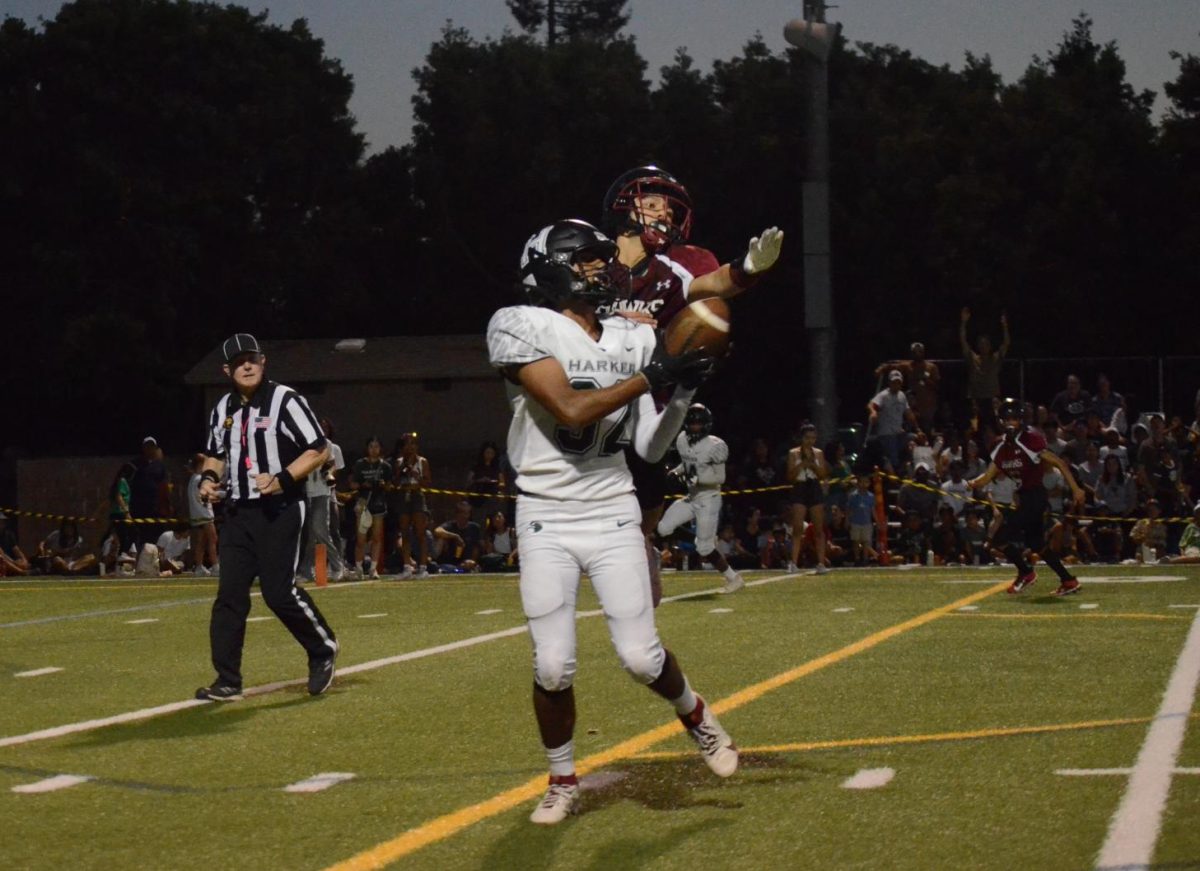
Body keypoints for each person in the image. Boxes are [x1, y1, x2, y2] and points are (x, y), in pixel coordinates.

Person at [486, 218, 736, 825]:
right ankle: (562, 779)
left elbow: (649, 450)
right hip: (545, 513)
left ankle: (698, 716)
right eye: (585, 258)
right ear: (545, 266)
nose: (599, 267)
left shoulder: (631, 336)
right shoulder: (517, 323)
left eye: (603, 258)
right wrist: (655, 376)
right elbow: (569, 406)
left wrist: (680, 394)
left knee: (641, 658)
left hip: (612, 508)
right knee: (552, 663)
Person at [598, 166, 783, 604]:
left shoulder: (676, 266)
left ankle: (642, 545)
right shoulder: (593, 260)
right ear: (625, 208)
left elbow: (712, 286)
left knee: (645, 497)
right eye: (653, 202)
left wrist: (747, 268)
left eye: (668, 205)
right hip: (595, 392)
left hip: (649, 397)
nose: (664, 212)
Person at [194, 333, 338, 701]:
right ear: (226, 369)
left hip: (281, 508)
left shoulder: (285, 400)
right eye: (239, 361)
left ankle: (322, 649)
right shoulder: (222, 408)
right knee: (229, 597)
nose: (246, 365)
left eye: (252, 359)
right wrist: (209, 480)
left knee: (279, 592)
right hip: (238, 511)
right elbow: (215, 454)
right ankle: (228, 679)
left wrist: (282, 479)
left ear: (263, 362)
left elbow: (318, 449)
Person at [967, 397, 1087, 596]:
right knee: (1037, 544)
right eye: (1006, 419)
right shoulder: (1000, 446)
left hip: (1035, 496)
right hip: (1024, 497)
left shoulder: (1030, 439)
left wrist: (1076, 489)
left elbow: (1058, 462)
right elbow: (988, 476)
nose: (1010, 422)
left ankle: (1025, 572)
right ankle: (1068, 580)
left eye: (1014, 418)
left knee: (998, 538)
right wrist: (972, 483)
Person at [656, 404, 746, 593]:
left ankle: (734, 578)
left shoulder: (715, 446)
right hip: (692, 496)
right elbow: (687, 462)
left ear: (706, 425)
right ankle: (702, 539)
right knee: (663, 528)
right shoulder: (682, 439)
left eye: (699, 424)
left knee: (704, 549)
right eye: (692, 423)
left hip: (709, 498)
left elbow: (720, 478)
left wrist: (696, 478)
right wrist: (676, 471)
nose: (695, 427)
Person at [299, 421, 346, 582]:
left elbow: (333, 465)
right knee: (309, 534)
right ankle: (306, 569)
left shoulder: (327, 444)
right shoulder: (303, 442)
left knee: (320, 530)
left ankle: (337, 565)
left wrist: (328, 473)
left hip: (321, 491)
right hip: (305, 491)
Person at [785, 423, 829, 573]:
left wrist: (812, 465)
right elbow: (790, 476)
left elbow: (823, 474)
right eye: (807, 438)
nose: (810, 441)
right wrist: (802, 464)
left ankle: (821, 563)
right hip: (800, 487)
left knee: (818, 528)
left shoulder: (818, 453)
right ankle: (793, 562)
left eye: (813, 438)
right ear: (801, 438)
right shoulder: (793, 453)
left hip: (814, 486)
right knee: (797, 527)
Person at [959, 307, 1010, 431]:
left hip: (992, 399)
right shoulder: (973, 358)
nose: (983, 346)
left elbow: (1006, 343)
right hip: (976, 399)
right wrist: (964, 322)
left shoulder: (995, 358)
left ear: (990, 346)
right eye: (981, 344)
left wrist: (1004, 326)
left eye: (986, 344)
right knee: (977, 429)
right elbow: (962, 340)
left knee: (995, 428)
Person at [389, 433, 432, 578]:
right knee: (405, 531)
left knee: (420, 532)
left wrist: (416, 476)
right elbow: (394, 482)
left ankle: (423, 566)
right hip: (403, 495)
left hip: (416, 495)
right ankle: (407, 565)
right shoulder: (399, 462)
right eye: (407, 444)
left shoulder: (422, 461)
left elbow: (427, 482)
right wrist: (401, 470)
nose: (411, 446)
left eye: (413, 443)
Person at [876, 341, 941, 434]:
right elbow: (893, 366)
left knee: (928, 429)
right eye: (915, 352)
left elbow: (937, 386)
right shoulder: (909, 366)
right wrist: (882, 368)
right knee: (912, 428)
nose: (917, 354)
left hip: (928, 406)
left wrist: (926, 380)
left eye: (920, 352)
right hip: (913, 404)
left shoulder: (931, 367)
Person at [351, 436, 390, 579]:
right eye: (371, 446)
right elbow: (353, 484)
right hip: (363, 503)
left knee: (376, 537)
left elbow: (389, 486)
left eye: (376, 446)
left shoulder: (385, 466)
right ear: (367, 449)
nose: (374, 450)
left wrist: (382, 484)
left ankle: (373, 569)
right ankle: (359, 568)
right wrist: (363, 485)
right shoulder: (360, 465)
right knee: (361, 539)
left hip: (378, 504)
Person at [868, 370, 921, 472]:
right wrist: (873, 412)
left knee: (914, 438)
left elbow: (908, 413)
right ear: (890, 383)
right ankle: (895, 476)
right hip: (886, 434)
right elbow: (871, 404)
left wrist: (918, 429)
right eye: (894, 382)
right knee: (893, 456)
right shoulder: (883, 395)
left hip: (898, 433)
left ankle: (911, 467)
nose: (896, 385)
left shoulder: (902, 395)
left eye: (898, 382)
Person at [129, 436, 170, 551]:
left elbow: (164, 486)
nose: (149, 449)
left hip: (155, 508)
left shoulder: (160, 466)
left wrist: (165, 506)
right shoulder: (135, 464)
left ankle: (154, 562)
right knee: (140, 536)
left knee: (155, 536)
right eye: (147, 447)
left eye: (152, 447)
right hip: (139, 508)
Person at [185, 453, 218, 576]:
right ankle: (215, 565)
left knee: (201, 542)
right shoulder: (200, 479)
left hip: (196, 514)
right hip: (205, 514)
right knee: (213, 539)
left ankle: (199, 566)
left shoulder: (193, 478)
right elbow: (206, 495)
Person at [434, 500, 482, 573]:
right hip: (450, 562)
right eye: (461, 513)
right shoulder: (450, 526)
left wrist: (472, 561)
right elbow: (437, 531)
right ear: (457, 514)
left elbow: (476, 548)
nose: (464, 516)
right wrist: (456, 536)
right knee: (440, 539)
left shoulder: (474, 528)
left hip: (466, 562)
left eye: (467, 513)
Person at [467, 440, 506, 525]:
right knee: (479, 522)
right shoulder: (476, 467)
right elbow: (469, 481)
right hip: (478, 500)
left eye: (492, 453)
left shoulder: (497, 468)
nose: (489, 455)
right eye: (487, 452)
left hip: (492, 500)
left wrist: (498, 487)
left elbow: (502, 482)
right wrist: (480, 480)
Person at [102, 461, 135, 555]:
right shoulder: (122, 481)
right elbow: (119, 497)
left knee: (123, 536)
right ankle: (122, 554)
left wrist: (98, 512)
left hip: (115, 514)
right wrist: (126, 512)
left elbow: (108, 500)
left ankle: (122, 554)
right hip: (120, 514)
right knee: (132, 534)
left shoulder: (117, 482)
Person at [0, 511, 30, 576]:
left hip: (11, 563)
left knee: (22, 563)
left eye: (2, 521)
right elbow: (3, 555)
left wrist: (24, 561)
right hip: (3, 562)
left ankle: (20, 570)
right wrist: (14, 563)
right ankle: (22, 572)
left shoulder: (9, 534)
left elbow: (17, 550)